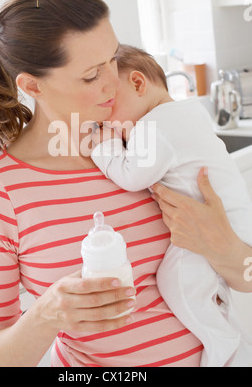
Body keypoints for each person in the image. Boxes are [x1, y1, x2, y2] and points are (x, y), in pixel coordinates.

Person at [0, 0, 252, 368]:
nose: (115, 81)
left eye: (113, 57)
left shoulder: (151, 147)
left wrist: (226, 247)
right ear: (32, 85)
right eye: (91, 74)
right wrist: (47, 315)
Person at [91, 44, 252, 366]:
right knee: (208, 291)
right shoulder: (185, 112)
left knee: (175, 282)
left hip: (216, 224)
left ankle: (227, 351)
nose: (103, 114)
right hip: (233, 222)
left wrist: (104, 145)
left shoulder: (155, 126)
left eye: (109, 103)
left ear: (138, 84)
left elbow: (131, 175)